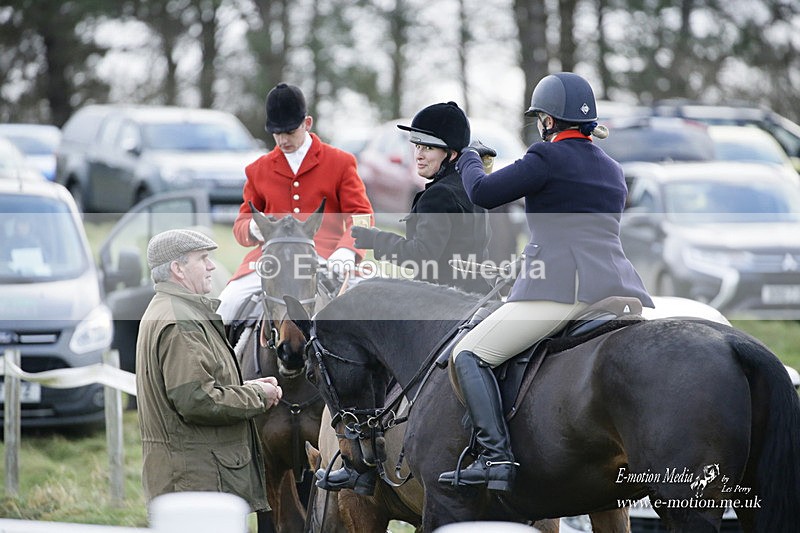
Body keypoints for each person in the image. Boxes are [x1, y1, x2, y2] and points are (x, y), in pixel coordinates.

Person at [437, 72, 654, 492]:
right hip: (617, 289)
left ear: (549, 122)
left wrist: (466, 158)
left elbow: (482, 193)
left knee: (468, 355)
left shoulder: (545, 156)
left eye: (541, 118)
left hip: (562, 291)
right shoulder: (612, 169)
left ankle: (496, 458)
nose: (539, 124)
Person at [136, 229, 283, 530]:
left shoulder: (173, 310)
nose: (212, 266)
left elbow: (199, 388)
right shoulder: (180, 321)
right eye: (203, 259)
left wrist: (250, 387)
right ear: (178, 269)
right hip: (197, 483)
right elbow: (197, 400)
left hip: (194, 479)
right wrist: (257, 397)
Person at [217, 82, 373, 329]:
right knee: (226, 304)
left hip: (327, 258)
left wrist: (347, 251)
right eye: (276, 133)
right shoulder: (258, 170)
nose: (282, 139)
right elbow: (241, 224)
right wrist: (256, 229)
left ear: (307, 123)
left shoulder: (340, 162)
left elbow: (362, 215)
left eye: (289, 131)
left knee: (378, 307)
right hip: (271, 260)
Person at [350, 101, 491, 294]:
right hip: (479, 296)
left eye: (428, 148)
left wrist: (376, 239)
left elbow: (421, 255)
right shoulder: (471, 185)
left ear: (452, 154)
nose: (418, 155)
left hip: (445, 303)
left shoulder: (439, 195)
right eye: (417, 146)